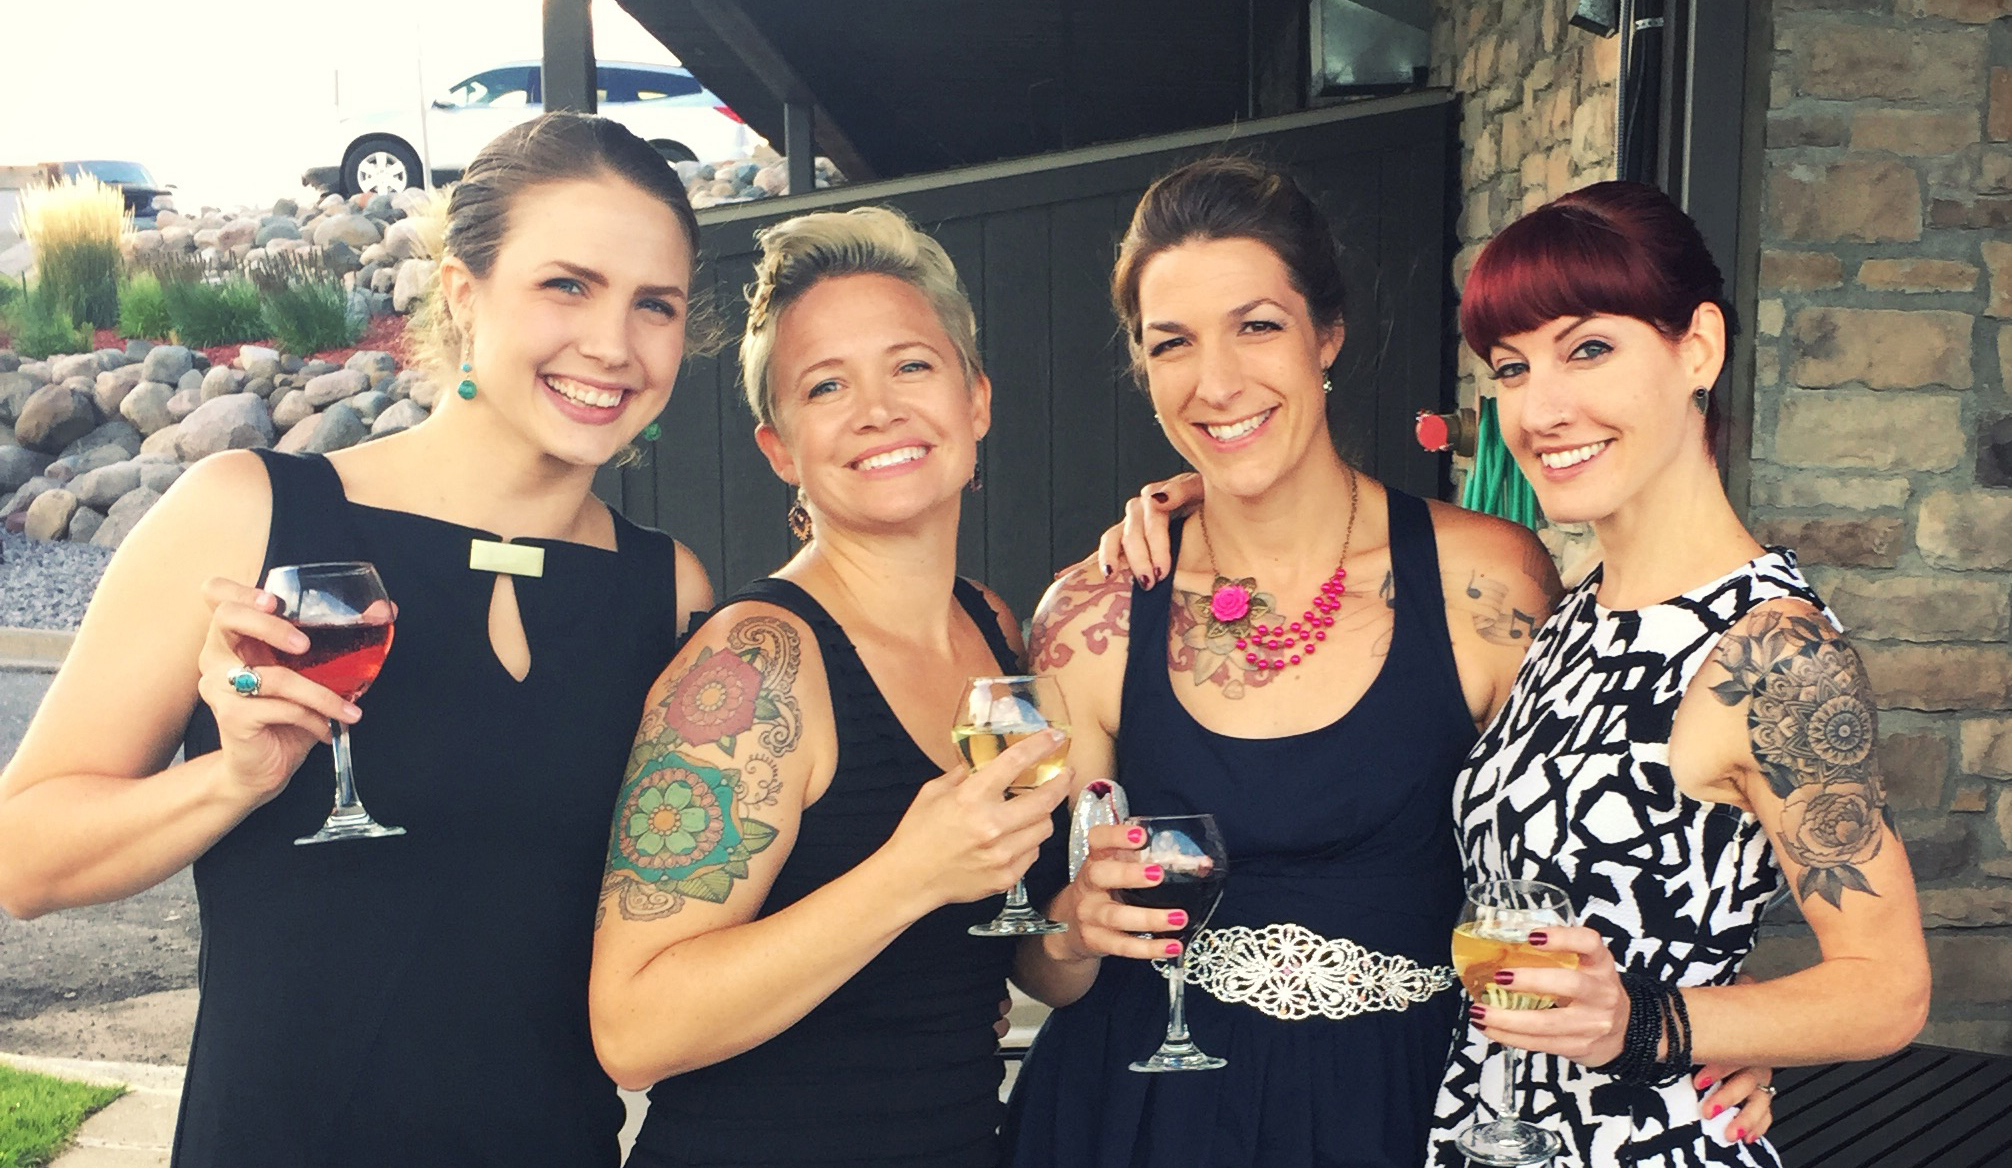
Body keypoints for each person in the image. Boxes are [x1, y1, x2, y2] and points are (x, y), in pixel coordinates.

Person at [0, 113, 713, 1166]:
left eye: (655, 304)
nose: (613, 343)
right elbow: (22, 859)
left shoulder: (667, 591)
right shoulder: (250, 512)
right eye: (567, 285)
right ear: (463, 294)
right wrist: (231, 780)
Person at [1002, 155, 1572, 1168]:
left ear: (1327, 333)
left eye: (1256, 326)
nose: (1215, 382)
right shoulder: (1090, 615)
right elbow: (1042, 970)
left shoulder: (1491, 582)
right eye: (1171, 342)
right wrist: (1074, 928)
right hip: (1138, 1117)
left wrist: (1694, 1028)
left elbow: (1586, 864)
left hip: (1401, 1109)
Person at [1424, 181, 1930, 1167]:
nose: (1540, 409)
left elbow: (1887, 986)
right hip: (1492, 1130)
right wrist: (1205, 505)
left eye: (1587, 349)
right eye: (1512, 367)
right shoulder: (1573, 611)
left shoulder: (1772, 653)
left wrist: (1657, 1023)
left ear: (1697, 348)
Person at [590, 205, 1072, 1168]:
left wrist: (1077, 931)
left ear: (976, 401)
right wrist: (907, 873)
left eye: (911, 366)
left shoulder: (990, 628)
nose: (877, 410)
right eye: (825, 385)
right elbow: (633, 1028)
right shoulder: (753, 663)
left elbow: (1017, 967)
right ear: (781, 450)